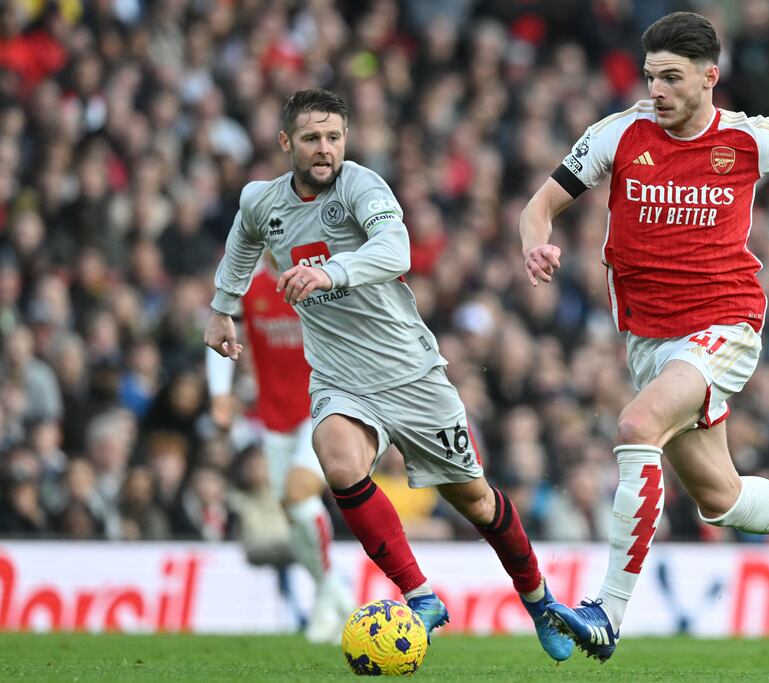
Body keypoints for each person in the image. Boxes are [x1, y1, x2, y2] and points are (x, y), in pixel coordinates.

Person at [519, 12, 769, 661]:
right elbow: (539, 205)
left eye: (671, 78)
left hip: (725, 323)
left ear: (708, 78)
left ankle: (607, 610)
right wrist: (536, 246)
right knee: (719, 497)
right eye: (650, 77)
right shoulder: (617, 134)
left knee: (637, 425)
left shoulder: (750, 139)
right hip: (650, 338)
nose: (657, 90)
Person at [204, 88, 571, 661]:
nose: (325, 149)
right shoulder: (261, 200)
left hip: (410, 373)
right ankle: (420, 596)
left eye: (334, 137)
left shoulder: (360, 185)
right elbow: (242, 243)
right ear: (285, 144)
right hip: (338, 377)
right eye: (311, 139)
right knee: (337, 459)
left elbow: (396, 250)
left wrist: (331, 274)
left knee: (475, 501)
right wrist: (223, 307)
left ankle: (539, 599)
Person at [206, 251, 354, 644]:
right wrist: (220, 392)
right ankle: (330, 591)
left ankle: (333, 594)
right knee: (293, 513)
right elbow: (223, 331)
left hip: (322, 405)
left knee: (298, 493)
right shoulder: (249, 287)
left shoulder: (316, 280)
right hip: (274, 417)